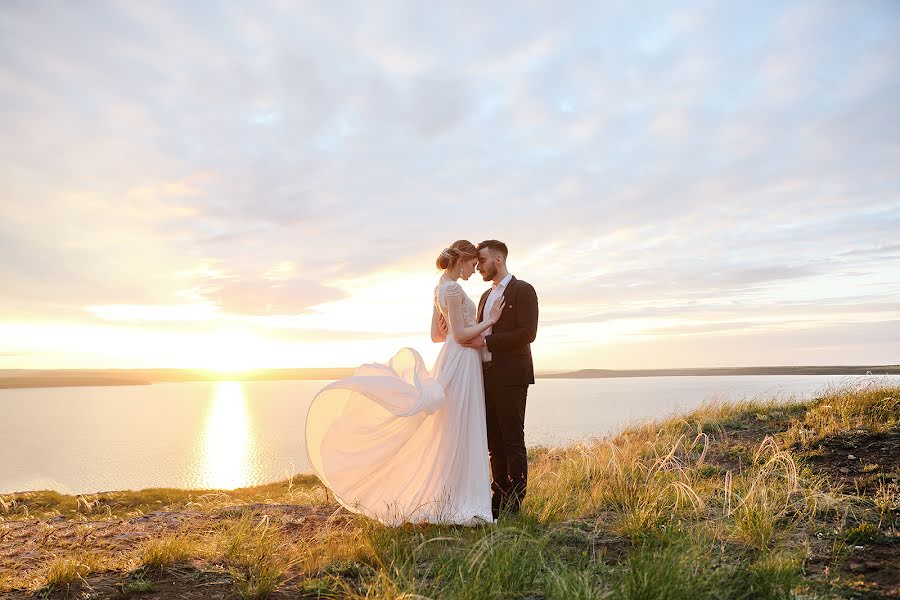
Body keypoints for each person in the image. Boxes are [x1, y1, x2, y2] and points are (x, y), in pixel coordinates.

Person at [304, 240, 505, 526]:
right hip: (462, 359)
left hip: (454, 356)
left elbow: (437, 335)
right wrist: (490, 321)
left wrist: (456, 329)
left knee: (453, 425)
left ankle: (453, 494)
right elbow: (459, 335)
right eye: (473, 265)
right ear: (462, 260)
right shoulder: (453, 288)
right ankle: (461, 498)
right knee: (462, 423)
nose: (474, 271)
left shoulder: (439, 287)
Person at [460, 240, 539, 519]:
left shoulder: (523, 290)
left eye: (481, 260)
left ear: (499, 259)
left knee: (512, 440)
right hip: (485, 377)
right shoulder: (484, 296)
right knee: (493, 441)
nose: (478, 265)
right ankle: (499, 499)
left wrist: (487, 341)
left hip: (511, 376)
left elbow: (527, 333)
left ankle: (515, 504)